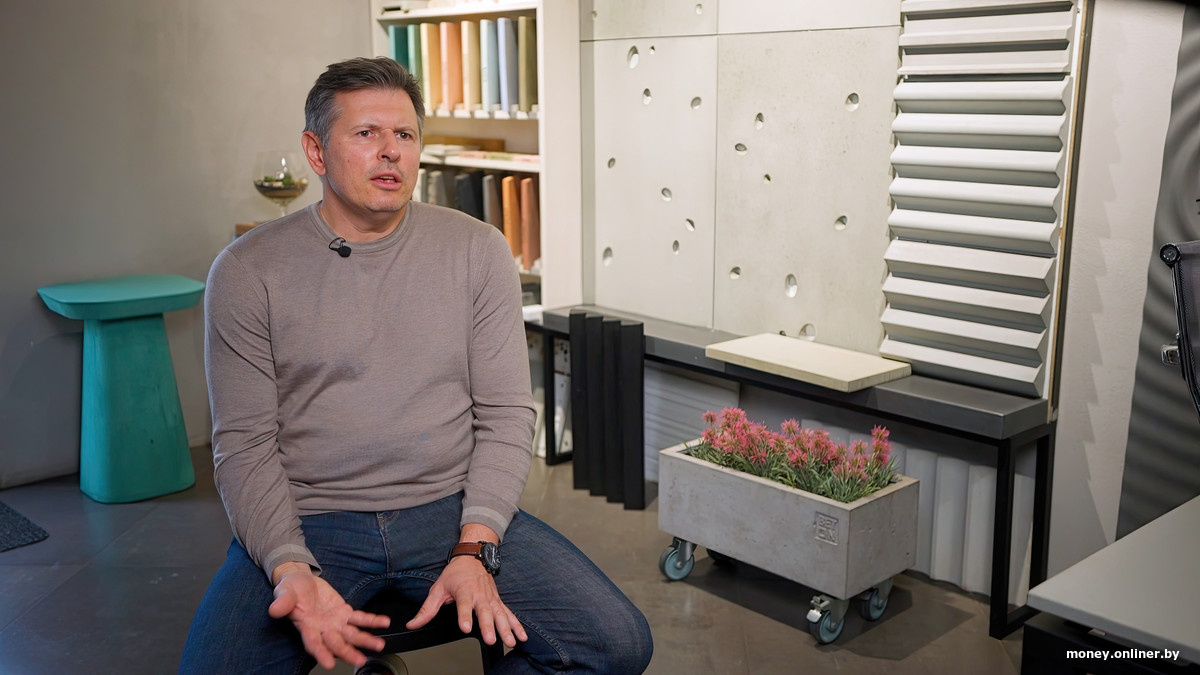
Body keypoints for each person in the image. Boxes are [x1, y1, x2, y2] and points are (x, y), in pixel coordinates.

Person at [180, 57, 653, 674]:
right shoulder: (248, 270)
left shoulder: (477, 250)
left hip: (448, 507)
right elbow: (243, 443)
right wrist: (288, 563)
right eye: (366, 133)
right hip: (312, 516)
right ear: (316, 151)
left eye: (404, 134)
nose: (391, 152)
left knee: (616, 642)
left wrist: (476, 545)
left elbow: (507, 415)